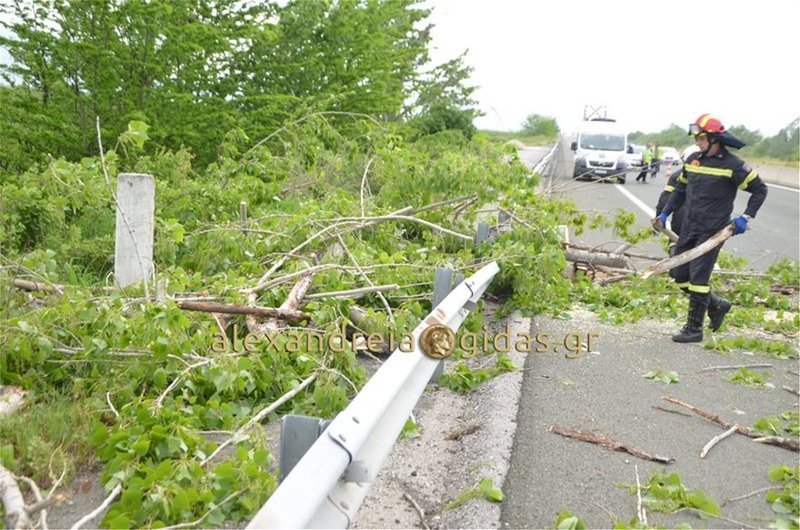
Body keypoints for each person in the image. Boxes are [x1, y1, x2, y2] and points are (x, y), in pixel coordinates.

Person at [654, 114, 767, 343]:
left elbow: (760, 190)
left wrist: (745, 216)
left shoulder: (733, 165)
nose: (698, 142)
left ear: (715, 139)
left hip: (712, 231)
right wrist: (665, 212)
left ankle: (694, 329)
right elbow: (679, 190)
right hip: (689, 227)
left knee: (698, 278)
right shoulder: (694, 160)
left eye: (702, 138)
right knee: (679, 273)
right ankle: (717, 305)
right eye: (697, 138)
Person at [655, 144, 700, 247]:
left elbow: (665, 199)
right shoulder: (712, 177)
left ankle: (674, 250)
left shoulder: (677, 176)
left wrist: (659, 217)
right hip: (707, 224)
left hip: (682, 222)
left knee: (676, 246)